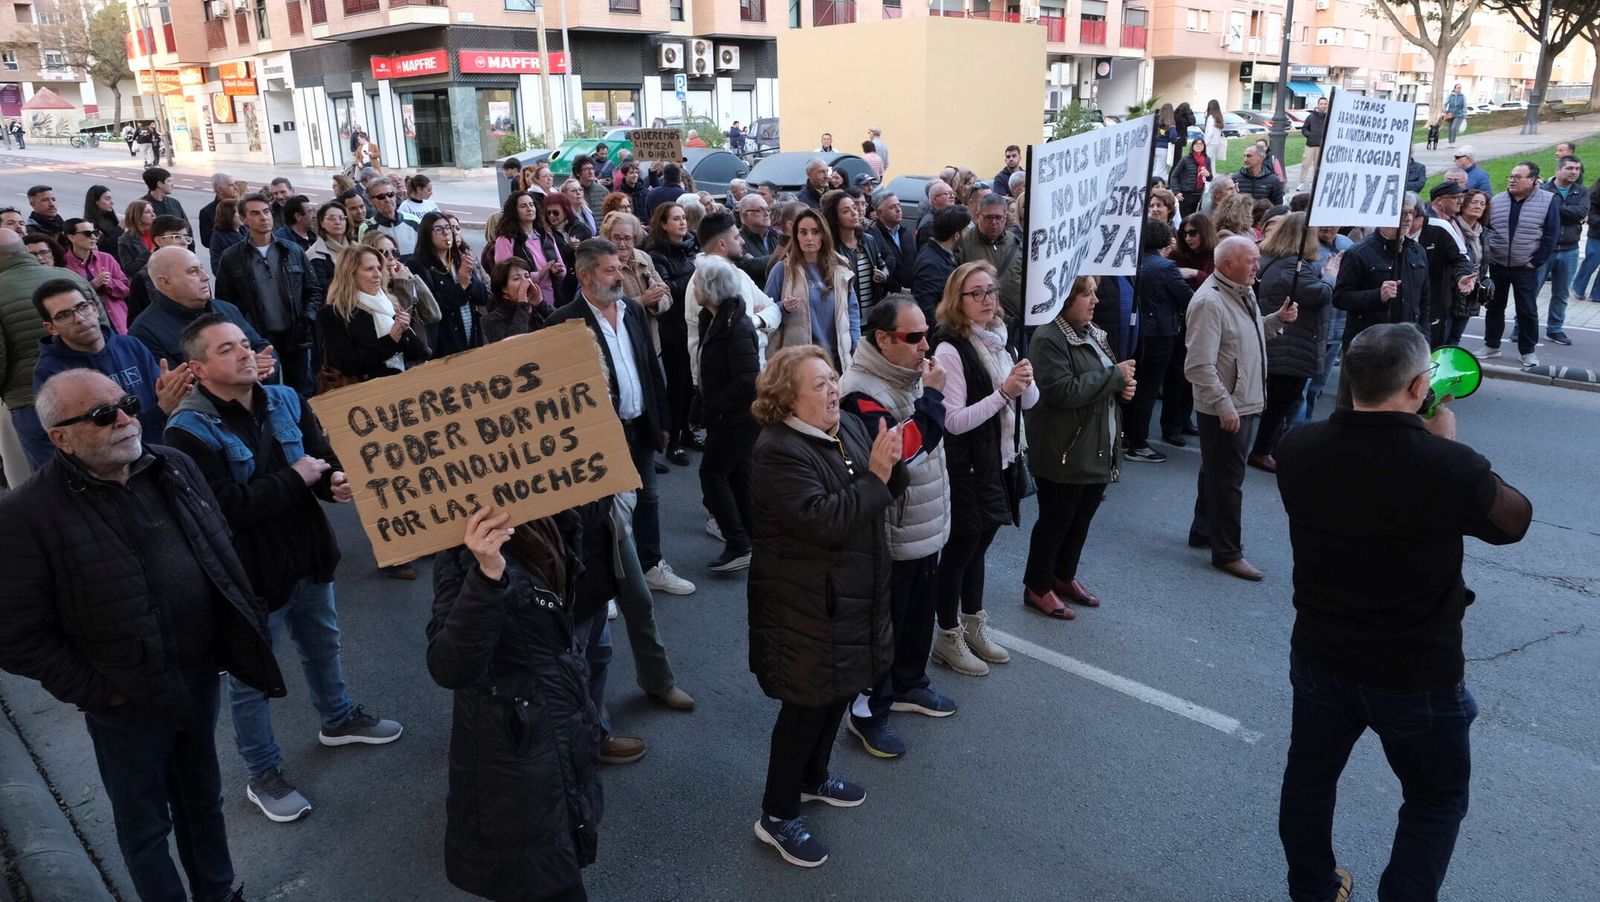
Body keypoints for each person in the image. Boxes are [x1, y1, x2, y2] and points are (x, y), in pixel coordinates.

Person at [0, 368, 284, 902]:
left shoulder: (172, 466)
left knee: (203, 799)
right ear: (60, 437)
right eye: (104, 415)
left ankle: (218, 893)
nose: (127, 419)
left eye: (127, 403)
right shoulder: (23, 516)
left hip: (199, 676)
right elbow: (14, 635)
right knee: (145, 826)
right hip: (126, 701)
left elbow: (217, 546)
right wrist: (101, 691)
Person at [1275, 323, 1531, 902]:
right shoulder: (1447, 466)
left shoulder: (1297, 447)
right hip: (1414, 670)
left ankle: (1313, 890)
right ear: (1420, 387)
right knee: (1436, 798)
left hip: (1321, 653)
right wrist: (1445, 446)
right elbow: (1514, 522)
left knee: (1309, 779)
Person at [165, 315, 402, 824]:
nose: (246, 354)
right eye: (227, 350)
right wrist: (299, 478)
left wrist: (331, 483)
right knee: (252, 680)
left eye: (245, 344)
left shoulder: (286, 399)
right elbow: (225, 507)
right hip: (248, 577)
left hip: (308, 556)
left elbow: (319, 458)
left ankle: (338, 719)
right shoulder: (187, 430)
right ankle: (263, 772)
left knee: (322, 644)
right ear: (199, 368)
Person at [748, 345, 904, 868]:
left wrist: (892, 465)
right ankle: (776, 813)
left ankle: (813, 779)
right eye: (819, 384)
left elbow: (876, 489)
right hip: (803, 608)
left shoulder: (843, 430)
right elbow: (822, 520)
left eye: (833, 378)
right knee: (806, 706)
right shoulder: (777, 452)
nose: (834, 389)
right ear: (787, 398)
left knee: (837, 691)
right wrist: (877, 479)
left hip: (846, 599)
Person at [427, 505, 604, 901]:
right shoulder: (462, 549)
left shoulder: (549, 512)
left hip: (558, 723)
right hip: (517, 749)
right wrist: (487, 576)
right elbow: (449, 666)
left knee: (559, 851)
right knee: (543, 877)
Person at [838, 296, 953, 757]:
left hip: (922, 519)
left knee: (919, 612)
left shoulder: (908, 375)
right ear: (883, 340)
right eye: (914, 337)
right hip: (894, 526)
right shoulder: (860, 390)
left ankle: (910, 682)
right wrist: (936, 400)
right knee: (886, 623)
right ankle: (868, 711)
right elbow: (902, 451)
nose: (926, 346)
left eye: (928, 334)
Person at [547, 239, 696, 597]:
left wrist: (663, 422)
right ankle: (598, 587)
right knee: (595, 512)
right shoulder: (563, 322)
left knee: (647, 500)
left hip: (640, 425)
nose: (619, 277)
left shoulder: (630, 308)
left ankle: (650, 565)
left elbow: (648, 367)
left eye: (619, 268)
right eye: (610, 270)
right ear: (584, 276)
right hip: (597, 437)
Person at [929, 261, 1032, 674]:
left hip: (1000, 459)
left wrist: (1024, 377)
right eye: (977, 293)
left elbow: (1030, 404)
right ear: (958, 300)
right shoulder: (950, 349)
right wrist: (1004, 392)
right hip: (967, 465)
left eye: (991, 291)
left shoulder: (1000, 341)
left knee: (980, 548)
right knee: (959, 552)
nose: (988, 299)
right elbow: (952, 421)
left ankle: (973, 624)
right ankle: (947, 635)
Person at [1185, 236, 1298, 581]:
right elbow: (1198, 365)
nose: (1257, 266)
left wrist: (1276, 319)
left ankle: (1203, 531)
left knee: (1217, 471)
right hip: (1227, 405)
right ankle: (1227, 552)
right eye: (1250, 260)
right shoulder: (1210, 302)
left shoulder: (1240, 290)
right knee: (1228, 481)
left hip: (1242, 400)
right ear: (1226, 264)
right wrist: (1224, 405)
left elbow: (1245, 335)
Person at [1022, 275, 1132, 617]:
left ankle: (1063, 576)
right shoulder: (1049, 337)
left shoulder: (1093, 333)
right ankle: (1038, 586)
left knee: (1080, 518)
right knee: (1057, 519)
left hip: (1095, 446)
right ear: (1066, 298)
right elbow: (1061, 390)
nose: (1095, 300)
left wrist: (1122, 388)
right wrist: (1114, 376)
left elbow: (1102, 381)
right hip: (1064, 448)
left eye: (1095, 292)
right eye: (1087, 293)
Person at [29, 277, 186, 454]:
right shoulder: (51, 373)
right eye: (64, 315)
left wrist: (174, 392)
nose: (79, 319)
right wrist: (159, 411)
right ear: (51, 327)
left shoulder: (131, 345)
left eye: (83, 307)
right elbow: (86, 439)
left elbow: (164, 396)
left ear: (95, 308)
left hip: (162, 451)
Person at [0, 228, 103, 479]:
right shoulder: (69, 277)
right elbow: (104, 329)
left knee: (59, 479)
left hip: (30, 400)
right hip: (93, 388)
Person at [691, 257, 762, 571]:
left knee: (713, 474)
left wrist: (712, 406)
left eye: (697, 282)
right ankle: (750, 536)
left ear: (708, 289)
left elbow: (747, 379)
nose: (693, 286)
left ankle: (738, 541)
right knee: (738, 474)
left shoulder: (733, 325)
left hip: (734, 419)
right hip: (732, 416)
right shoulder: (718, 319)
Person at [213, 194, 322, 396]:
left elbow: (313, 290)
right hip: (258, 339)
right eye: (255, 213)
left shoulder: (292, 250)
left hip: (296, 336)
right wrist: (243, 334)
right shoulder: (231, 258)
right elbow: (225, 303)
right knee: (266, 392)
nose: (264, 217)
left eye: (266, 212)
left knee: (301, 391)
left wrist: (307, 318)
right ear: (244, 219)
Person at [1248, 213, 1332, 472]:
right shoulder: (1291, 267)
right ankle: (1262, 451)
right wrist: (1331, 275)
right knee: (1280, 404)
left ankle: (1268, 447)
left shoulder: (1273, 259)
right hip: (1289, 345)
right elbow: (1319, 295)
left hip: (1283, 342)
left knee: (1278, 402)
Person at [130, 247, 277, 381]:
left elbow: (262, 346)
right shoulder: (144, 332)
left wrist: (265, 364)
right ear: (166, 282)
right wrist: (245, 369)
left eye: (202, 268)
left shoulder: (227, 309)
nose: (205, 276)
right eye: (193, 272)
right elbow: (177, 386)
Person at [1124, 220, 1193, 463]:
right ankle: (1138, 443)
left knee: (1132, 387)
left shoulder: (1130, 262)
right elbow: (1188, 299)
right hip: (1160, 334)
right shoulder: (1165, 267)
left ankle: (1126, 437)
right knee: (1147, 390)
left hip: (1134, 332)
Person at [1478, 161, 1559, 367]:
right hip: (1498, 264)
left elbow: (1551, 235)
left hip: (1526, 266)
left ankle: (1527, 351)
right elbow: (1486, 229)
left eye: (1518, 177)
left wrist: (1536, 261)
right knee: (1494, 306)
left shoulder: (1548, 201)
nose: (1512, 180)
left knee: (1527, 310)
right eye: (1511, 176)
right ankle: (1491, 346)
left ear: (1533, 180)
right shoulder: (1496, 200)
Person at [765, 207, 859, 374]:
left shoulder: (840, 267)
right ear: (796, 236)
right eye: (803, 232)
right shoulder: (782, 269)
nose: (809, 238)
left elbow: (851, 310)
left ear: (824, 235)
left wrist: (853, 343)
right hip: (798, 361)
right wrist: (782, 307)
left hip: (836, 359)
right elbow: (765, 313)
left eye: (815, 232)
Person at [643, 202, 699, 468]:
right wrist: (695, 280)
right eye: (676, 219)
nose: (682, 223)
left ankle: (687, 432)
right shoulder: (657, 253)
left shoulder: (691, 245)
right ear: (663, 224)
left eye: (683, 218)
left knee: (691, 386)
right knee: (677, 387)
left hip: (693, 324)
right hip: (673, 327)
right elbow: (665, 290)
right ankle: (673, 442)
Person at [409, 211, 486, 356]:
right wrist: (461, 285)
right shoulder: (418, 265)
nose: (446, 233)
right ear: (427, 234)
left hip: (472, 335)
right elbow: (433, 307)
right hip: (445, 341)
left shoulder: (458, 259)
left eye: (448, 228)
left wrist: (470, 281)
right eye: (439, 229)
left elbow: (482, 297)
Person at [1416, 184, 1478, 348]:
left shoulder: (1450, 222)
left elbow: (1461, 257)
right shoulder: (1427, 222)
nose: (1461, 201)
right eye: (1456, 197)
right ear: (1440, 200)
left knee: (1442, 343)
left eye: (1462, 197)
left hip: (1445, 296)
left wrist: (1463, 275)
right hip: (1428, 299)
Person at [1536, 155, 1586, 346]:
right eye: (1570, 168)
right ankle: (1521, 326)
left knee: (1561, 293)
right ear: (1558, 170)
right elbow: (1540, 213)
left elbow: (1581, 212)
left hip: (1569, 250)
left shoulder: (1581, 191)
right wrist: (1567, 212)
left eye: (1577, 169)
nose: (1574, 172)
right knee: (1531, 291)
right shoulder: (1543, 190)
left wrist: (1555, 209)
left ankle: (1555, 329)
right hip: (1544, 249)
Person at [957, 194, 1023, 324]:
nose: (994, 222)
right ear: (977, 215)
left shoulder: (1015, 242)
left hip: (1015, 322)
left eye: (998, 217)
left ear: (1005, 217)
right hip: (980, 322)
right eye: (988, 217)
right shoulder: (964, 243)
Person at [61, 217, 132, 333]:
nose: (94, 237)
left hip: (118, 321)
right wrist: (91, 286)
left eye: (95, 233)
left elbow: (126, 288)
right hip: (89, 324)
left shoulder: (106, 258)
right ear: (71, 237)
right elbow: (65, 300)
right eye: (87, 233)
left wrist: (109, 283)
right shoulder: (63, 265)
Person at [823, 189, 886, 316]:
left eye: (854, 208)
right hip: (846, 314)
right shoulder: (831, 248)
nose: (854, 213)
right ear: (835, 218)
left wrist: (883, 275)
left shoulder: (868, 240)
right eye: (846, 211)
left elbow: (882, 264)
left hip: (872, 314)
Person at [912, 205, 970, 324]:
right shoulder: (930, 264)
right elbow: (926, 309)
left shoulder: (946, 254)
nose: (968, 234)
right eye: (966, 230)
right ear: (957, 235)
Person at [482, 257, 552, 342]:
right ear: (504, 288)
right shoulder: (493, 319)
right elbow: (514, 344)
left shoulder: (536, 308)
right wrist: (523, 306)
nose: (525, 282)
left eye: (527, 276)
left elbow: (562, 323)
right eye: (516, 278)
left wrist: (541, 304)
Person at [870, 193, 917, 294]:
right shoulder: (874, 236)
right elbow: (877, 270)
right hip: (889, 296)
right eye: (892, 207)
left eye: (899, 205)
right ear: (879, 212)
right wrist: (899, 289)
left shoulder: (905, 233)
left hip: (911, 293)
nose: (898, 210)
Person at [306, 202, 352, 287]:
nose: (338, 222)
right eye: (331, 218)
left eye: (342, 218)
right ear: (322, 223)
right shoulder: (315, 254)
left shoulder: (355, 247)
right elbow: (321, 287)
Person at [197, 173, 239, 249]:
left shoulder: (242, 206)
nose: (236, 187)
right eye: (231, 185)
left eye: (235, 184)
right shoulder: (207, 212)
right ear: (220, 189)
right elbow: (206, 241)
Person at [1172, 138, 1212, 218]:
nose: (1199, 146)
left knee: (1196, 221)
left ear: (1204, 146)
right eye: (1196, 144)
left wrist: (1208, 175)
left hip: (1200, 196)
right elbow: (1174, 176)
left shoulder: (1207, 160)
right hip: (1186, 195)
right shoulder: (1185, 159)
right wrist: (1176, 191)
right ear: (1192, 146)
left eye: (1201, 144)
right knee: (1185, 220)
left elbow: (1210, 178)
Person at [85, 185, 125, 257]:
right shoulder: (90, 225)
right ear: (96, 201)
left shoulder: (111, 218)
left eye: (111, 199)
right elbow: (104, 247)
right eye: (107, 199)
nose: (112, 202)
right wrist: (120, 228)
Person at [208, 199, 247, 272]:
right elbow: (217, 267)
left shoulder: (245, 229)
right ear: (229, 215)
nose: (243, 215)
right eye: (239, 212)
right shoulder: (218, 237)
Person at [1299, 97, 1328, 189]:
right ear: (1318, 104)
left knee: (1317, 166)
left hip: (1321, 146)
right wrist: (1309, 135)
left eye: (1325, 104)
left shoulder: (1329, 117)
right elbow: (1304, 129)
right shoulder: (1311, 116)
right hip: (1310, 145)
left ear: (1327, 105)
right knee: (1305, 164)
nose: (1323, 106)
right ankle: (1302, 182)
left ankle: (1314, 183)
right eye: (1321, 103)